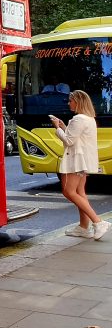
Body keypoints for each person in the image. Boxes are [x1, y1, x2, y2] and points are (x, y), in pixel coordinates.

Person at [53, 90, 109, 240]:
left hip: (75, 161)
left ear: (78, 101)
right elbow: (75, 137)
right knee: (80, 192)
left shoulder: (79, 119)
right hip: (82, 161)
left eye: (71, 100)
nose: (69, 103)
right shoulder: (89, 119)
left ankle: (98, 222)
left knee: (68, 191)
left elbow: (68, 141)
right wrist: (64, 127)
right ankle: (84, 227)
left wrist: (57, 128)